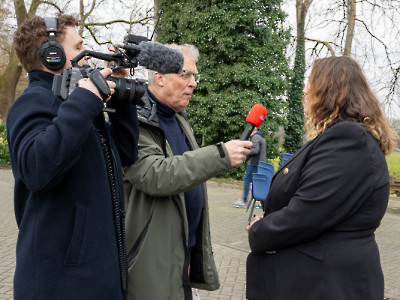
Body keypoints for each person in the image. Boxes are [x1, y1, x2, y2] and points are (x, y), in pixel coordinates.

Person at [7, 15, 139, 299]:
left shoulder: (75, 102)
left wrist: (119, 94)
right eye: (79, 46)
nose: (88, 55)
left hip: (96, 278)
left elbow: (126, 153)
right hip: (60, 285)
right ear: (51, 56)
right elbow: (37, 169)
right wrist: (85, 99)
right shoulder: (33, 102)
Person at [246, 56, 398, 300]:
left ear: (331, 91)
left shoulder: (349, 139)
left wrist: (259, 229)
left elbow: (307, 213)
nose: (305, 90)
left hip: (327, 284)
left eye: (311, 83)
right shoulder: (342, 137)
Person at [123, 43, 252, 300]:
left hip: (182, 254)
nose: (192, 83)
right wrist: (221, 155)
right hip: (150, 259)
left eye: (194, 75)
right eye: (185, 75)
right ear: (158, 77)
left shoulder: (178, 117)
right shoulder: (134, 120)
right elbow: (155, 175)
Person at [234, 127, 266, 207]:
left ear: (253, 131)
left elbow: (255, 150)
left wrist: (245, 152)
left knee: (247, 179)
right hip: (261, 163)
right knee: (257, 183)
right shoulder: (261, 137)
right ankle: (260, 203)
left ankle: (244, 201)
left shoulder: (255, 137)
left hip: (254, 163)